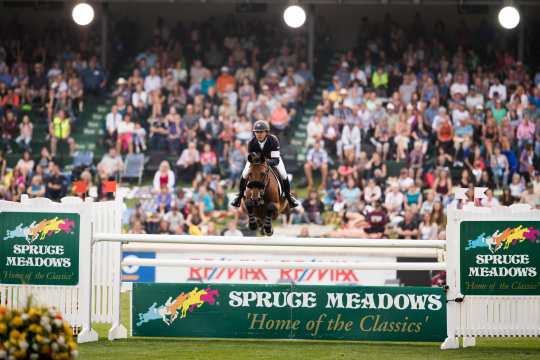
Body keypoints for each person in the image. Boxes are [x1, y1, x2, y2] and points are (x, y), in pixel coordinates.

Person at [231, 120, 298, 208]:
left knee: (283, 174)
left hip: (272, 159)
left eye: (261, 132)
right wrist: (258, 163)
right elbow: (251, 158)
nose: (258, 134)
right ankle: (239, 196)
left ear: (266, 132)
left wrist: (265, 162)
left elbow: (276, 160)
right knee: (244, 174)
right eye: (257, 132)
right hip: (256, 161)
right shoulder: (252, 142)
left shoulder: (273, 140)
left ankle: (289, 197)